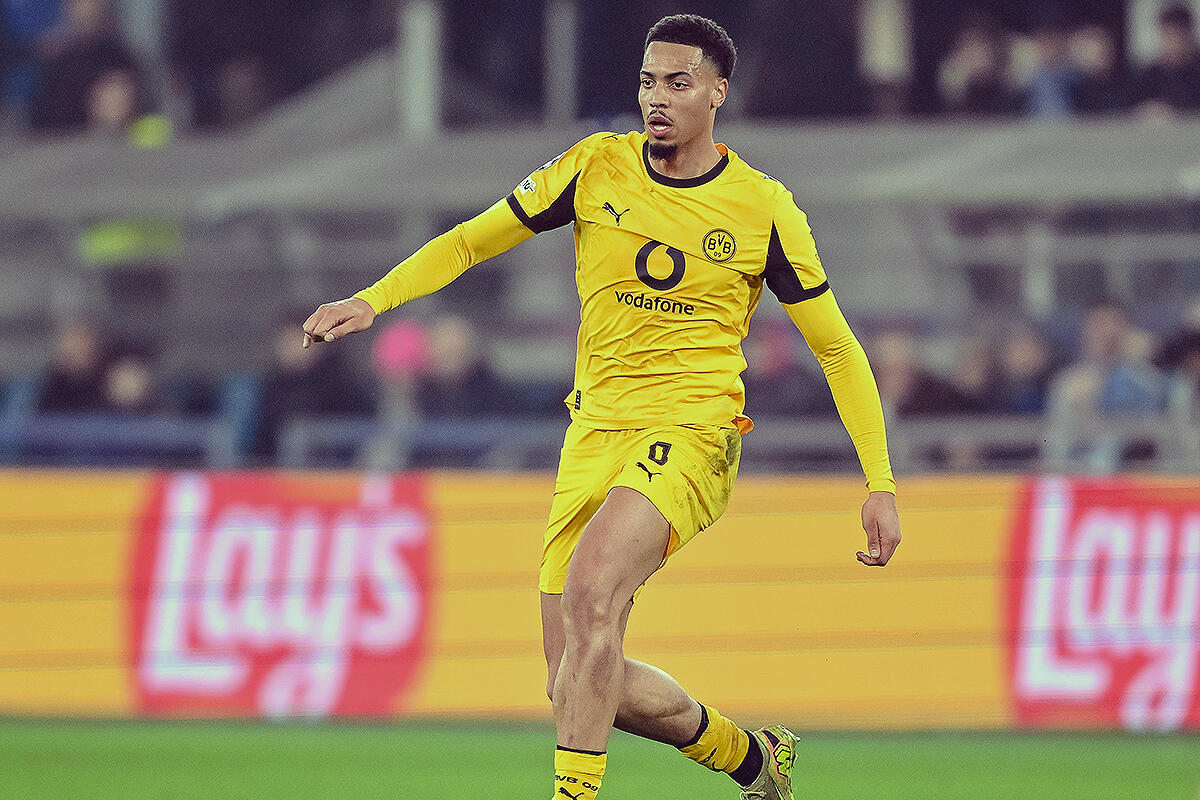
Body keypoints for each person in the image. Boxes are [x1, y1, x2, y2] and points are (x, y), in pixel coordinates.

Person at [302, 14, 900, 800]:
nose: (657, 98)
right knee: (576, 679)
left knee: (592, 598)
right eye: (649, 81)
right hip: (593, 433)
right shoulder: (595, 167)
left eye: (678, 83)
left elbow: (837, 349)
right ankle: (754, 760)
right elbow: (473, 239)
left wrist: (879, 481)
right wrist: (373, 299)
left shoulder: (762, 209)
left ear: (717, 93)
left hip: (693, 431)